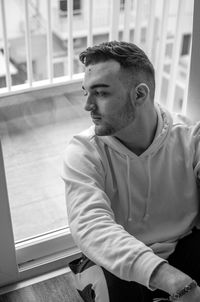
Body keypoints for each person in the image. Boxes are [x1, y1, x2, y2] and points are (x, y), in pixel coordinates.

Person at [62, 41, 200, 302]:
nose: (88, 105)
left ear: (139, 94)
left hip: (183, 245)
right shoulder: (83, 152)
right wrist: (175, 281)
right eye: (86, 92)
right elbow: (91, 226)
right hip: (114, 258)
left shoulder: (191, 137)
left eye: (101, 93)